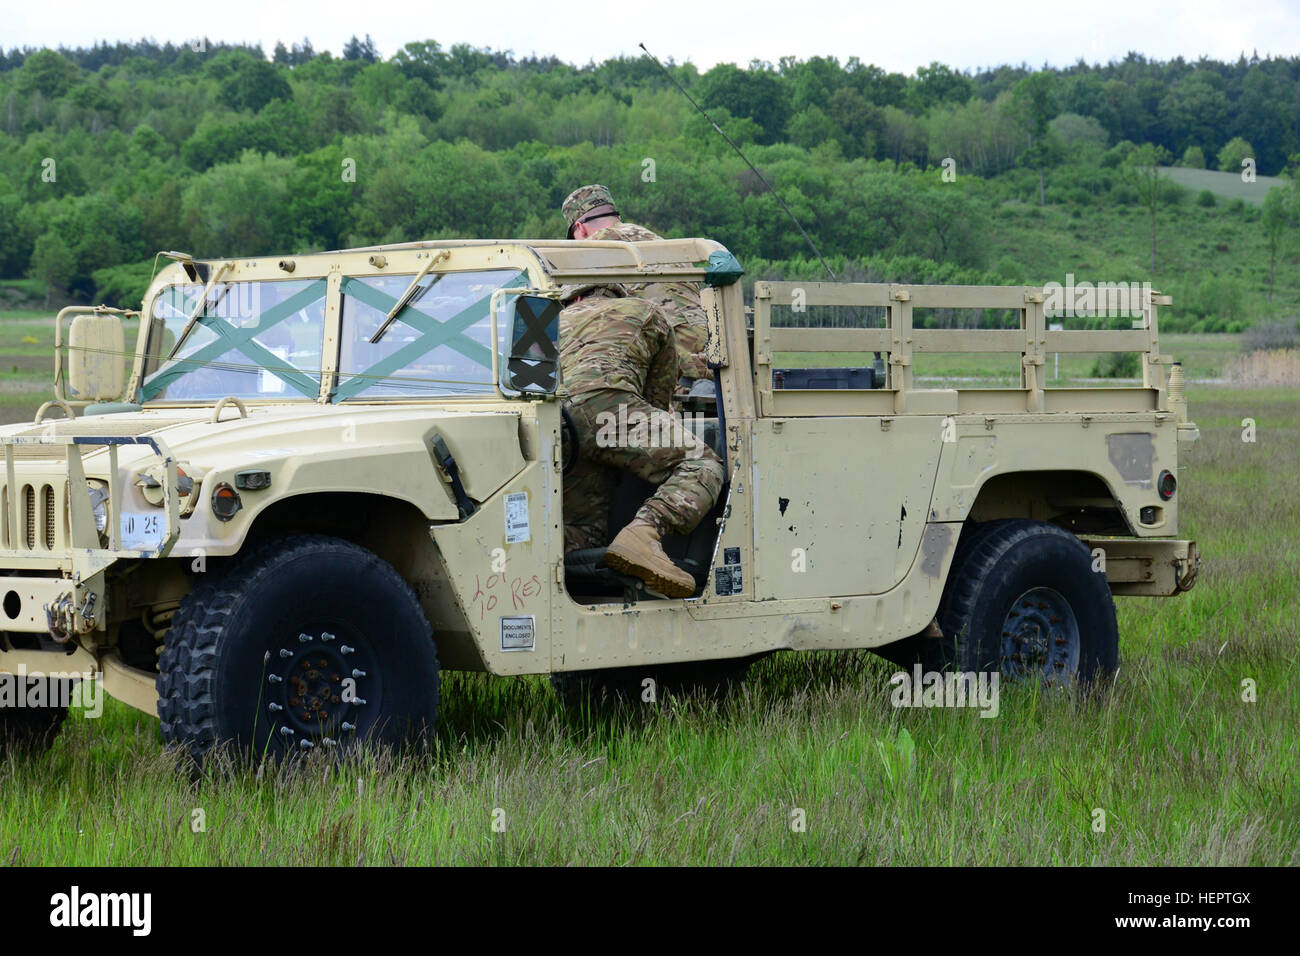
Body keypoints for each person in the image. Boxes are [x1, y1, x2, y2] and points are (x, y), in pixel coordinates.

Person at [558, 282, 724, 598]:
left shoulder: (550, 322)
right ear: (619, 296)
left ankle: (584, 599)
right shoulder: (645, 311)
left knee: (582, 529)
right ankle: (644, 531)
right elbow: (657, 398)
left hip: (559, 422)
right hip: (610, 412)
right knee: (701, 463)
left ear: (575, 298)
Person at [561, 185, 711, 386]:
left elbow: (570, 310)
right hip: (708, 357)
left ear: (580, 228)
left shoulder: (595, 247)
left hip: (670, 365)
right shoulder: (656, 240)